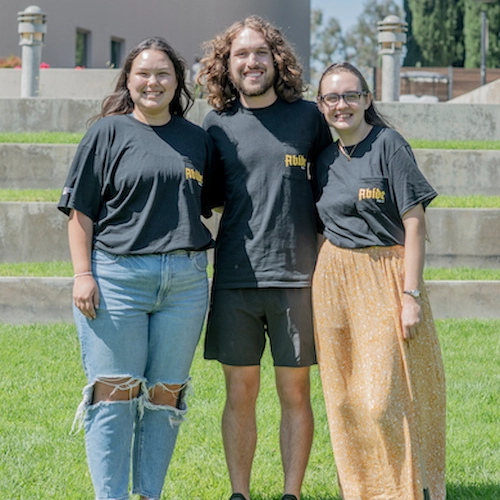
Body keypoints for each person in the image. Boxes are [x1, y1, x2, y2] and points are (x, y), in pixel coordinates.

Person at [58, 37, 213, 500]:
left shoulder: (196, 139)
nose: (153, 82)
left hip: (185, 285)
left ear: (177, 82)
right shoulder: (107, 133)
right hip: (117, 279)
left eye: (163, 73)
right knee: (114, 392)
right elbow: (79, 212)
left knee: (165, 396)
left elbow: (210, 203)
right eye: (143, 73)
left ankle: (149, 494)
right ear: (128, 79)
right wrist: (83, 274)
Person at [197, 15, 332, 500]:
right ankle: (240, 493)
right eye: (240, 54)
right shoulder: (215, 124)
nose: (251, 62)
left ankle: (291, 494)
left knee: (295, 394)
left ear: (276, 59)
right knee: (240, 394)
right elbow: (208, 196)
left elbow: (332, 189)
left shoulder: (310, 118)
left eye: (259, 53)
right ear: (226, 65)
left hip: (299, 279)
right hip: (235, 278)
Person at [312, 61, 446, 500]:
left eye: (351, 95)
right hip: (333, 281)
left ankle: (406, 488)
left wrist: (410, 295)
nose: (342, 105)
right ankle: (362, 490)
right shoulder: (324, 159)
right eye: (332, 97)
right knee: (346, 398)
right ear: (321, 105)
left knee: (383, 397)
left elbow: (414, 223)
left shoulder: (389, 145)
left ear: (368, 99)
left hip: (384, 275)